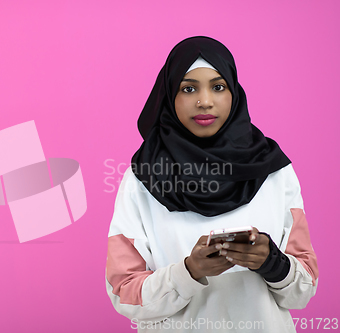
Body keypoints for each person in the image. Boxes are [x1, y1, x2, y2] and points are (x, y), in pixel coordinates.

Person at [105, 36, 318, 332]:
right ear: (169, 95)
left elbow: (304, 291)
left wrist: (272, 262)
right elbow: (124, 295)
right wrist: (189, 272)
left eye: (218, 87)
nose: (204, 101)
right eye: (189, 88)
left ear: (234, 92)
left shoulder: (274, 171)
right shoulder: (143, 177)